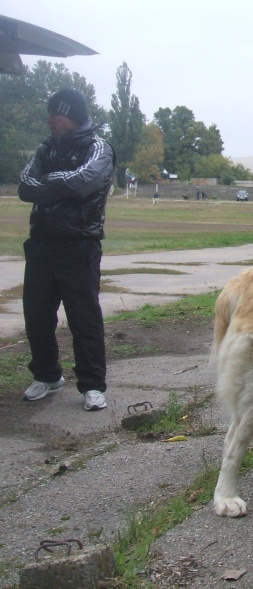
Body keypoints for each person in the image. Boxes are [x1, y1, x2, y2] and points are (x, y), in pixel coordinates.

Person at [18, 88, 116, 412]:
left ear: (71, 115)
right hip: (42, 242)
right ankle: (46, 376)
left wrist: (48, 183)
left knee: (84, 318)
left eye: (55, 114)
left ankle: (92, 385)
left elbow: (83, 182)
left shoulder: (99, 148)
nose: (50, 120)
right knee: (36, 315)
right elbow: (25, 185)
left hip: (80, 244)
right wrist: (59, 186)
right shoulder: (46, 147)